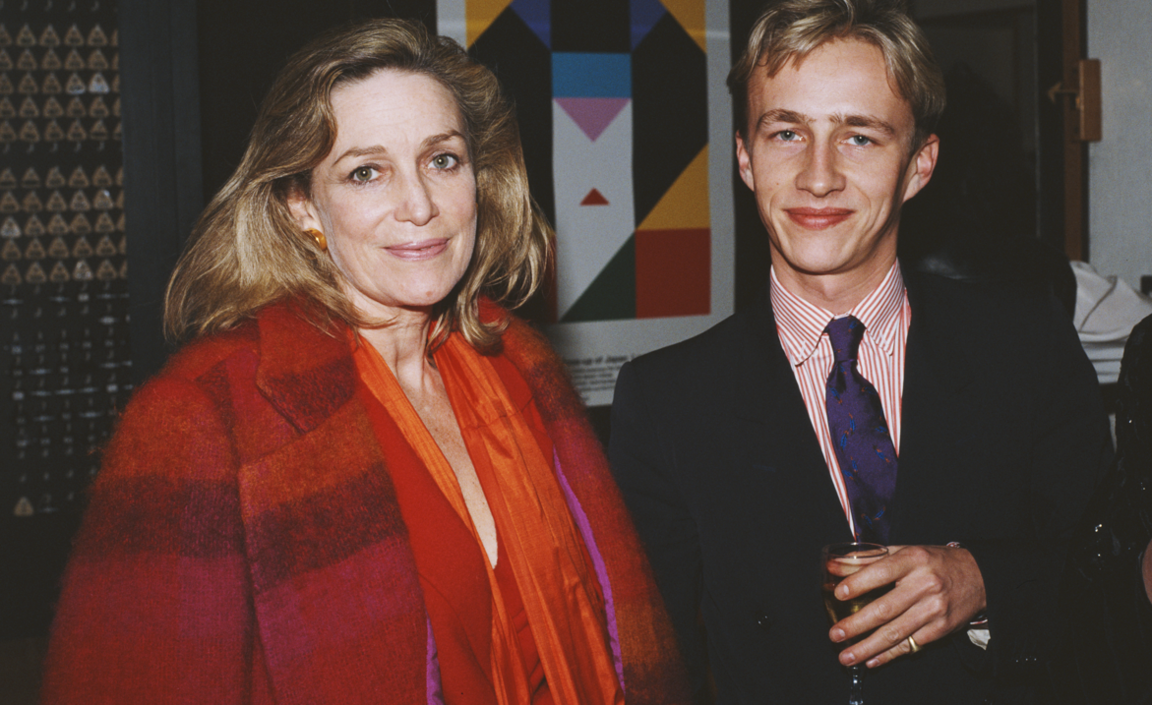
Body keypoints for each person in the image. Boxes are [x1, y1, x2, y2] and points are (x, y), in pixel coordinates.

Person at [41, 19, 688, 705]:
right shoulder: (204, 417)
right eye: (366, 172)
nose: (420, 206)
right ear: (301, 206)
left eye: (442, 160)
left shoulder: (521, 366)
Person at [608, 1, 1112, 703]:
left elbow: (1110, 573)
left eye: (860, 138)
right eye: (787, 133)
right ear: (745, 158)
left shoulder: (1025, 344)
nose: (818, 177)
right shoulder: (664, 400)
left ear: (919, 164)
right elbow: (657, 668)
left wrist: (982, 577)